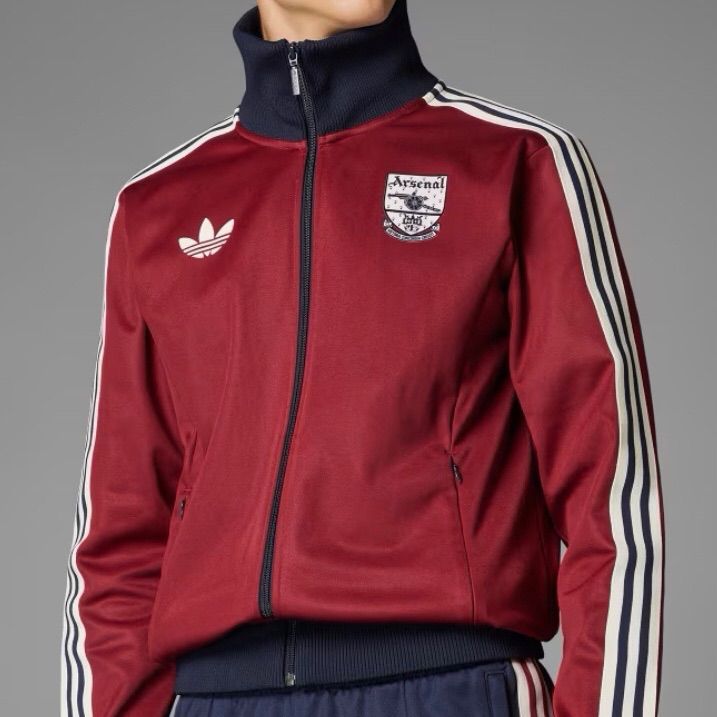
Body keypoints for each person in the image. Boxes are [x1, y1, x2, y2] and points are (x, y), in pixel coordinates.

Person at [61, 0, 665, 715]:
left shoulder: (516, 162)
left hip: (447, 687)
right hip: (219, 697)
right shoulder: (156, 206)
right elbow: (119, 538)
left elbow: (611, 500)